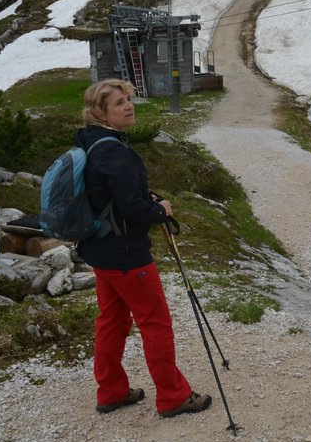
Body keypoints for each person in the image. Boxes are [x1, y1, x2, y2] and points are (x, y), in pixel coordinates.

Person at [75, 78, 212, 418]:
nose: (128, 106)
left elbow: (116, 198)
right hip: (126, 254)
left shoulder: (92, 143)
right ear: (100, 112)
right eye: (119, 102)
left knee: (112, 320)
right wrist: (159, 210)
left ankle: (111, 391)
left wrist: (143, 199)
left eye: (128, 100)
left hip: (100, 251)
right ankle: (173, 396)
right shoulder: (113, 152)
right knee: (155, 322)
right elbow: (134, 209)